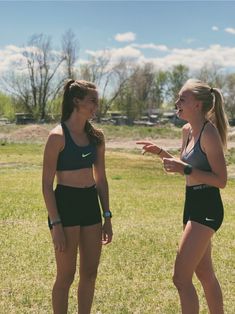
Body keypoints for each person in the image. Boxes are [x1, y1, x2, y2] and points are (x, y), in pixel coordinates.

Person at [137, 79, 228, 314]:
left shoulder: (210, 134)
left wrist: (184, 169)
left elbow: (221, 180)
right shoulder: (187, 131)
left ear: (197, 105)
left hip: (207, 207)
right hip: (191, 204)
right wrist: (160, 152)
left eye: (182, 99)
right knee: (206, 275)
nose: (177, 103)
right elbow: (186, 166)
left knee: (180, 278)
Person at [42, 79, 113, 314]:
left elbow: (101, 180)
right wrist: (56, 223)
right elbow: (46, 185)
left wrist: (107, 216)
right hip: (66, 205)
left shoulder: (97, 137)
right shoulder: (57, 136)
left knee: (90, 273)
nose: (96, 106)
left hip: (90, 205)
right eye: (92, 101)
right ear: (76, 101)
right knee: (66, 276)